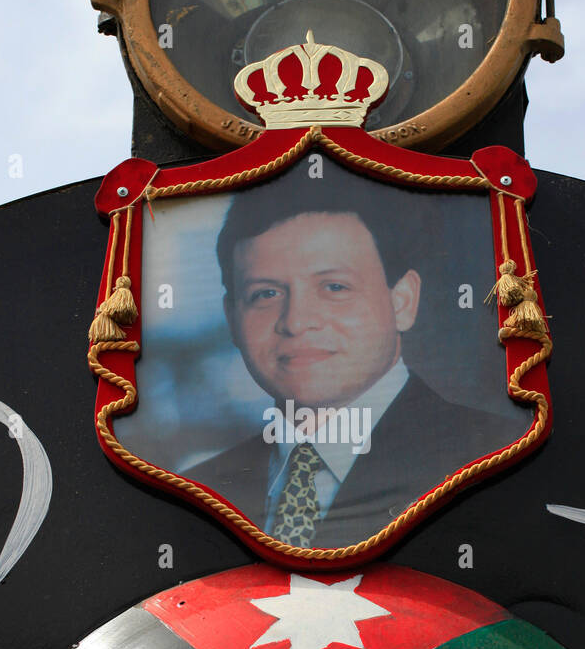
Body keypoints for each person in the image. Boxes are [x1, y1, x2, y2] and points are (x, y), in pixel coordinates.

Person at [187, 161, 522, 547]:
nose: (296, 322)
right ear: (232, 318)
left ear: (403, 301)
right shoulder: (200, 488)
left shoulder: (495, 457)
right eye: (265, 294)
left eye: (334, 287)